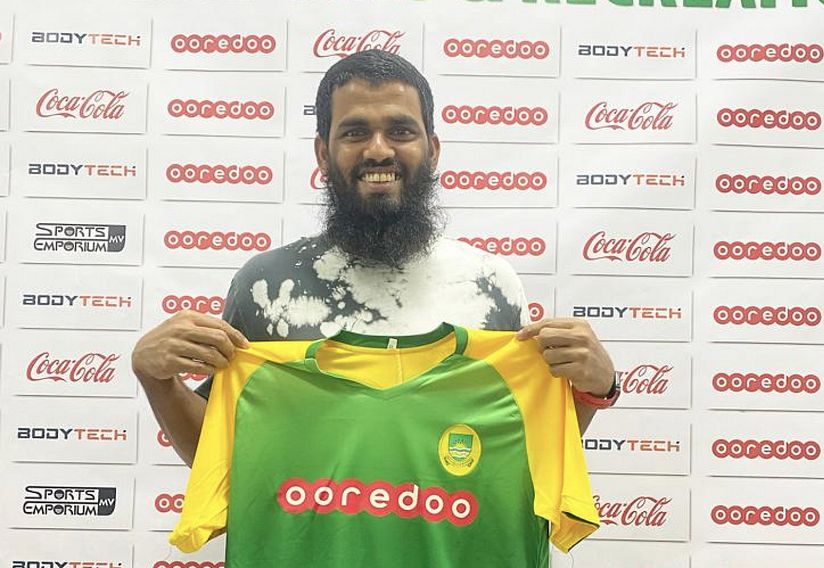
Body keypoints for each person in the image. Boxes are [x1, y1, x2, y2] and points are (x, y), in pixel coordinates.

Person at [132, 49, 616, 469]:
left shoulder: (491, 284)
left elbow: (524, 451)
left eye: (400, 130)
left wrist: (594, 390)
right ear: (323, 153)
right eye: (355, 132)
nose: (378, 150)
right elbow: (216, 455)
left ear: (433, 150)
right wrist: (156, 380)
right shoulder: (267, 286)